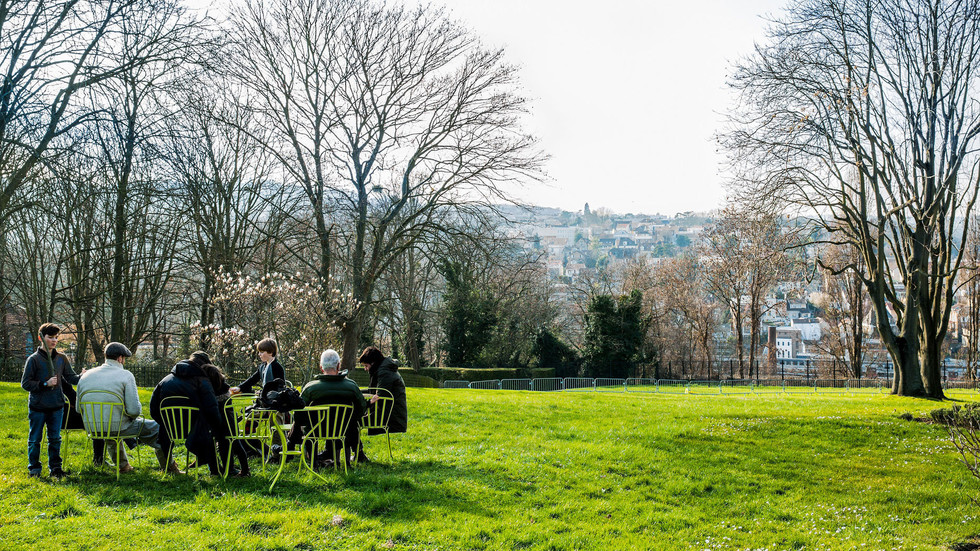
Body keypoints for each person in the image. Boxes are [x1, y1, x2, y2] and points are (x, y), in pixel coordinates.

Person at [76, 342, 174, 473]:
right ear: (120, 358)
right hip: (118, 427)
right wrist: (131, 416)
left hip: (93, 427)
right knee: (158, 429)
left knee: (110, 431)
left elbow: (78, 409)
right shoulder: (125, 375)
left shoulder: (85, 376)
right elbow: (134, 411)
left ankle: (123, 465)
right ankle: (169, 466)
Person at [282, 349, 375, 468]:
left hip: (315, 429)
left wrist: (303, 424)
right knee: (351, 421)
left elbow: (299, 413)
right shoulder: (351, 386)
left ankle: (304, 455)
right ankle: (349, 457)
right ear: (338, 366)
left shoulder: (311, 388)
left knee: (302, 421)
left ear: (321, 367)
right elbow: (361, 408)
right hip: (344, 429)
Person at [21, 323, 84, 478]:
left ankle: (56, 469)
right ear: (41, 338)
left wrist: (83, 375)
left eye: (56, 337)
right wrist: (44, 384)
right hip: (38, 407)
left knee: (55, 439)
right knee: (35, 439)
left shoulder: (61, 358)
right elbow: (25, 383)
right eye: (50, 337)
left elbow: (71, 378)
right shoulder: (33, 359)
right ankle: (34, 469)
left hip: (57, 406)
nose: (54, 340)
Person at [150, 351, 224, 476]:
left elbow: (153, 409)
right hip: (195, 429)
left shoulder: (165, 380)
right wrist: (218, 427)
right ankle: (215, 470)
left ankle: (169, 467)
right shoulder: (202, 381)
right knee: (208, 432)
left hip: (169, 429)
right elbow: (211, 408)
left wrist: (165, 422)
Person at [357, 346, 407, 463]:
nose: (365, 369)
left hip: (388, 415)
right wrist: (356, 392)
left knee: (351, 422)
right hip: (390, 411)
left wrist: (364, 402)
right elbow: (374, 391)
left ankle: (359, 455)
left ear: (373, 363)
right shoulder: (385, 369)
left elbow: (380, 395)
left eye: (366, 366)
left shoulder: (384, 372)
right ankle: (358, 455)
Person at [202, 363, 251, 477]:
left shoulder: (212, 393)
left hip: (223, 424)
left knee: (229, 445)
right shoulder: (224, 387)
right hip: (231, 422)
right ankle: (237, 469)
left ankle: (240, 469)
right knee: (233, 445)